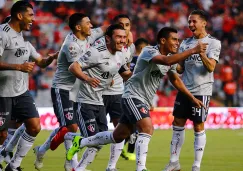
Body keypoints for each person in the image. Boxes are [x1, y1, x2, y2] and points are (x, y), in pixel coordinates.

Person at [66, 27, 208, 171]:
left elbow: (175, 79)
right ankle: (141, 168)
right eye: (174, 39)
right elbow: (165, 61)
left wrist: (191, 97)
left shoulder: (170, 58)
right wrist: (192, 50)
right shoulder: (149, 51)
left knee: (117, 136)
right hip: (132, 96)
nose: (177, 43)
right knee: (147, 128)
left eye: (178, 40)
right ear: (163, 40)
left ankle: (81, 141)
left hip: (143, 100)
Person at [33, 13, 107, 171]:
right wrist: (95, 75)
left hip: (79, 91)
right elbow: (78, 68)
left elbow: (105, 29)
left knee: (71, 128)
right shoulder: (71, 45)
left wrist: (121, 28)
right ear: (78, 27)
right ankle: (72, 164)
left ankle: (42, 150)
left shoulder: (88, 34)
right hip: (63, 90)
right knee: (71, 127)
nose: (91, 26)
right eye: (88, 23)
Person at [0, 1, 58, 171]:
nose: (33, 19)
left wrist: (52, 57)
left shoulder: (23, 40)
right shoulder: (3, 34)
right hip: (3, 93)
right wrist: (19, 67)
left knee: (34, 126)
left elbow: (40, 62)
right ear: (19, 15)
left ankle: (14, 165)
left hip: (21, 92)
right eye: (30, 15)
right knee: (2, 134)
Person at [67, 24, 132, 171]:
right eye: (118, 37)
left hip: (99, 101)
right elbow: (73, 67)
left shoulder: (121, 54)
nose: (122, 40)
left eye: (124, 37)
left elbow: (123, 73)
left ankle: (79, 162)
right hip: (84, 101)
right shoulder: (97, 52)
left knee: (100, 141)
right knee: (94, 138)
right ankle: (75, 154)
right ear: (108, 38)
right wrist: (87, 78)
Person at [163, 10, 221, 171]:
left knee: (198, 126)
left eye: (194, 21)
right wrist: (172, 61)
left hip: (202, 91)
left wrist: (200, 52)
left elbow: (210, 67)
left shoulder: (214, 43)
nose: (190, 25)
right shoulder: (185, 43)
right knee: (177, 123)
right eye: (189, 22)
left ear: (204, 23)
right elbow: (181, 69)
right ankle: (174, 163)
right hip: (184, 90)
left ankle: (196, 166)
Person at [121, 37, 149, 161]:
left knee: (129, 124)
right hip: (136, 95)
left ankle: (121, 144)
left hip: (123, 94)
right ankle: (130, 151)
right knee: (140, 126)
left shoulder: (128, 59)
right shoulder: (142, 61)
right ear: (143, 48)